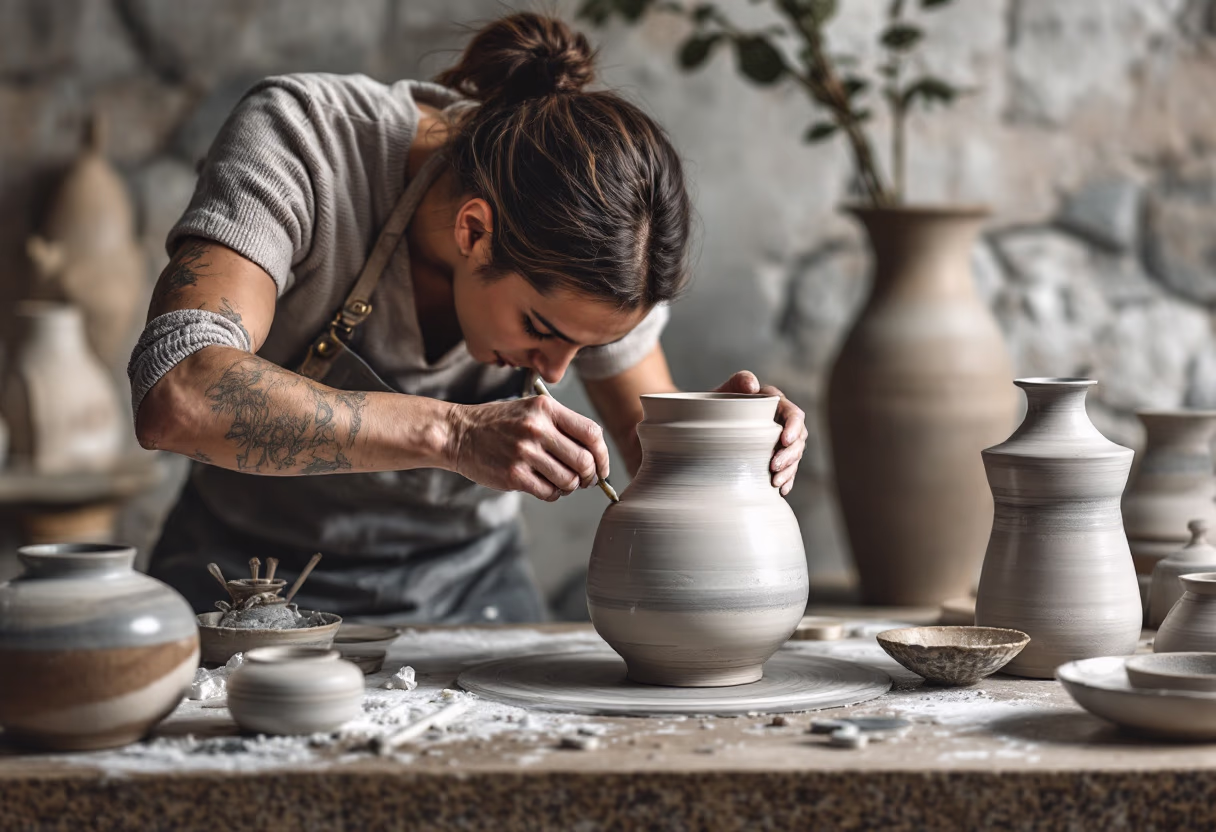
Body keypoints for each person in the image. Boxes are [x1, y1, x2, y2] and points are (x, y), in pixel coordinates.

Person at [128, 12, 807, 624]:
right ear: (475, 230)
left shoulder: (606, 246)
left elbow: (648, 450)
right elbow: (178, 392)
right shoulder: (304, 141)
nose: (556, 372)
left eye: (584, 348)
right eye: (541, 329)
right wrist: (453, 434)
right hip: (247, 577)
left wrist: (726, 444)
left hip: (470, 586)